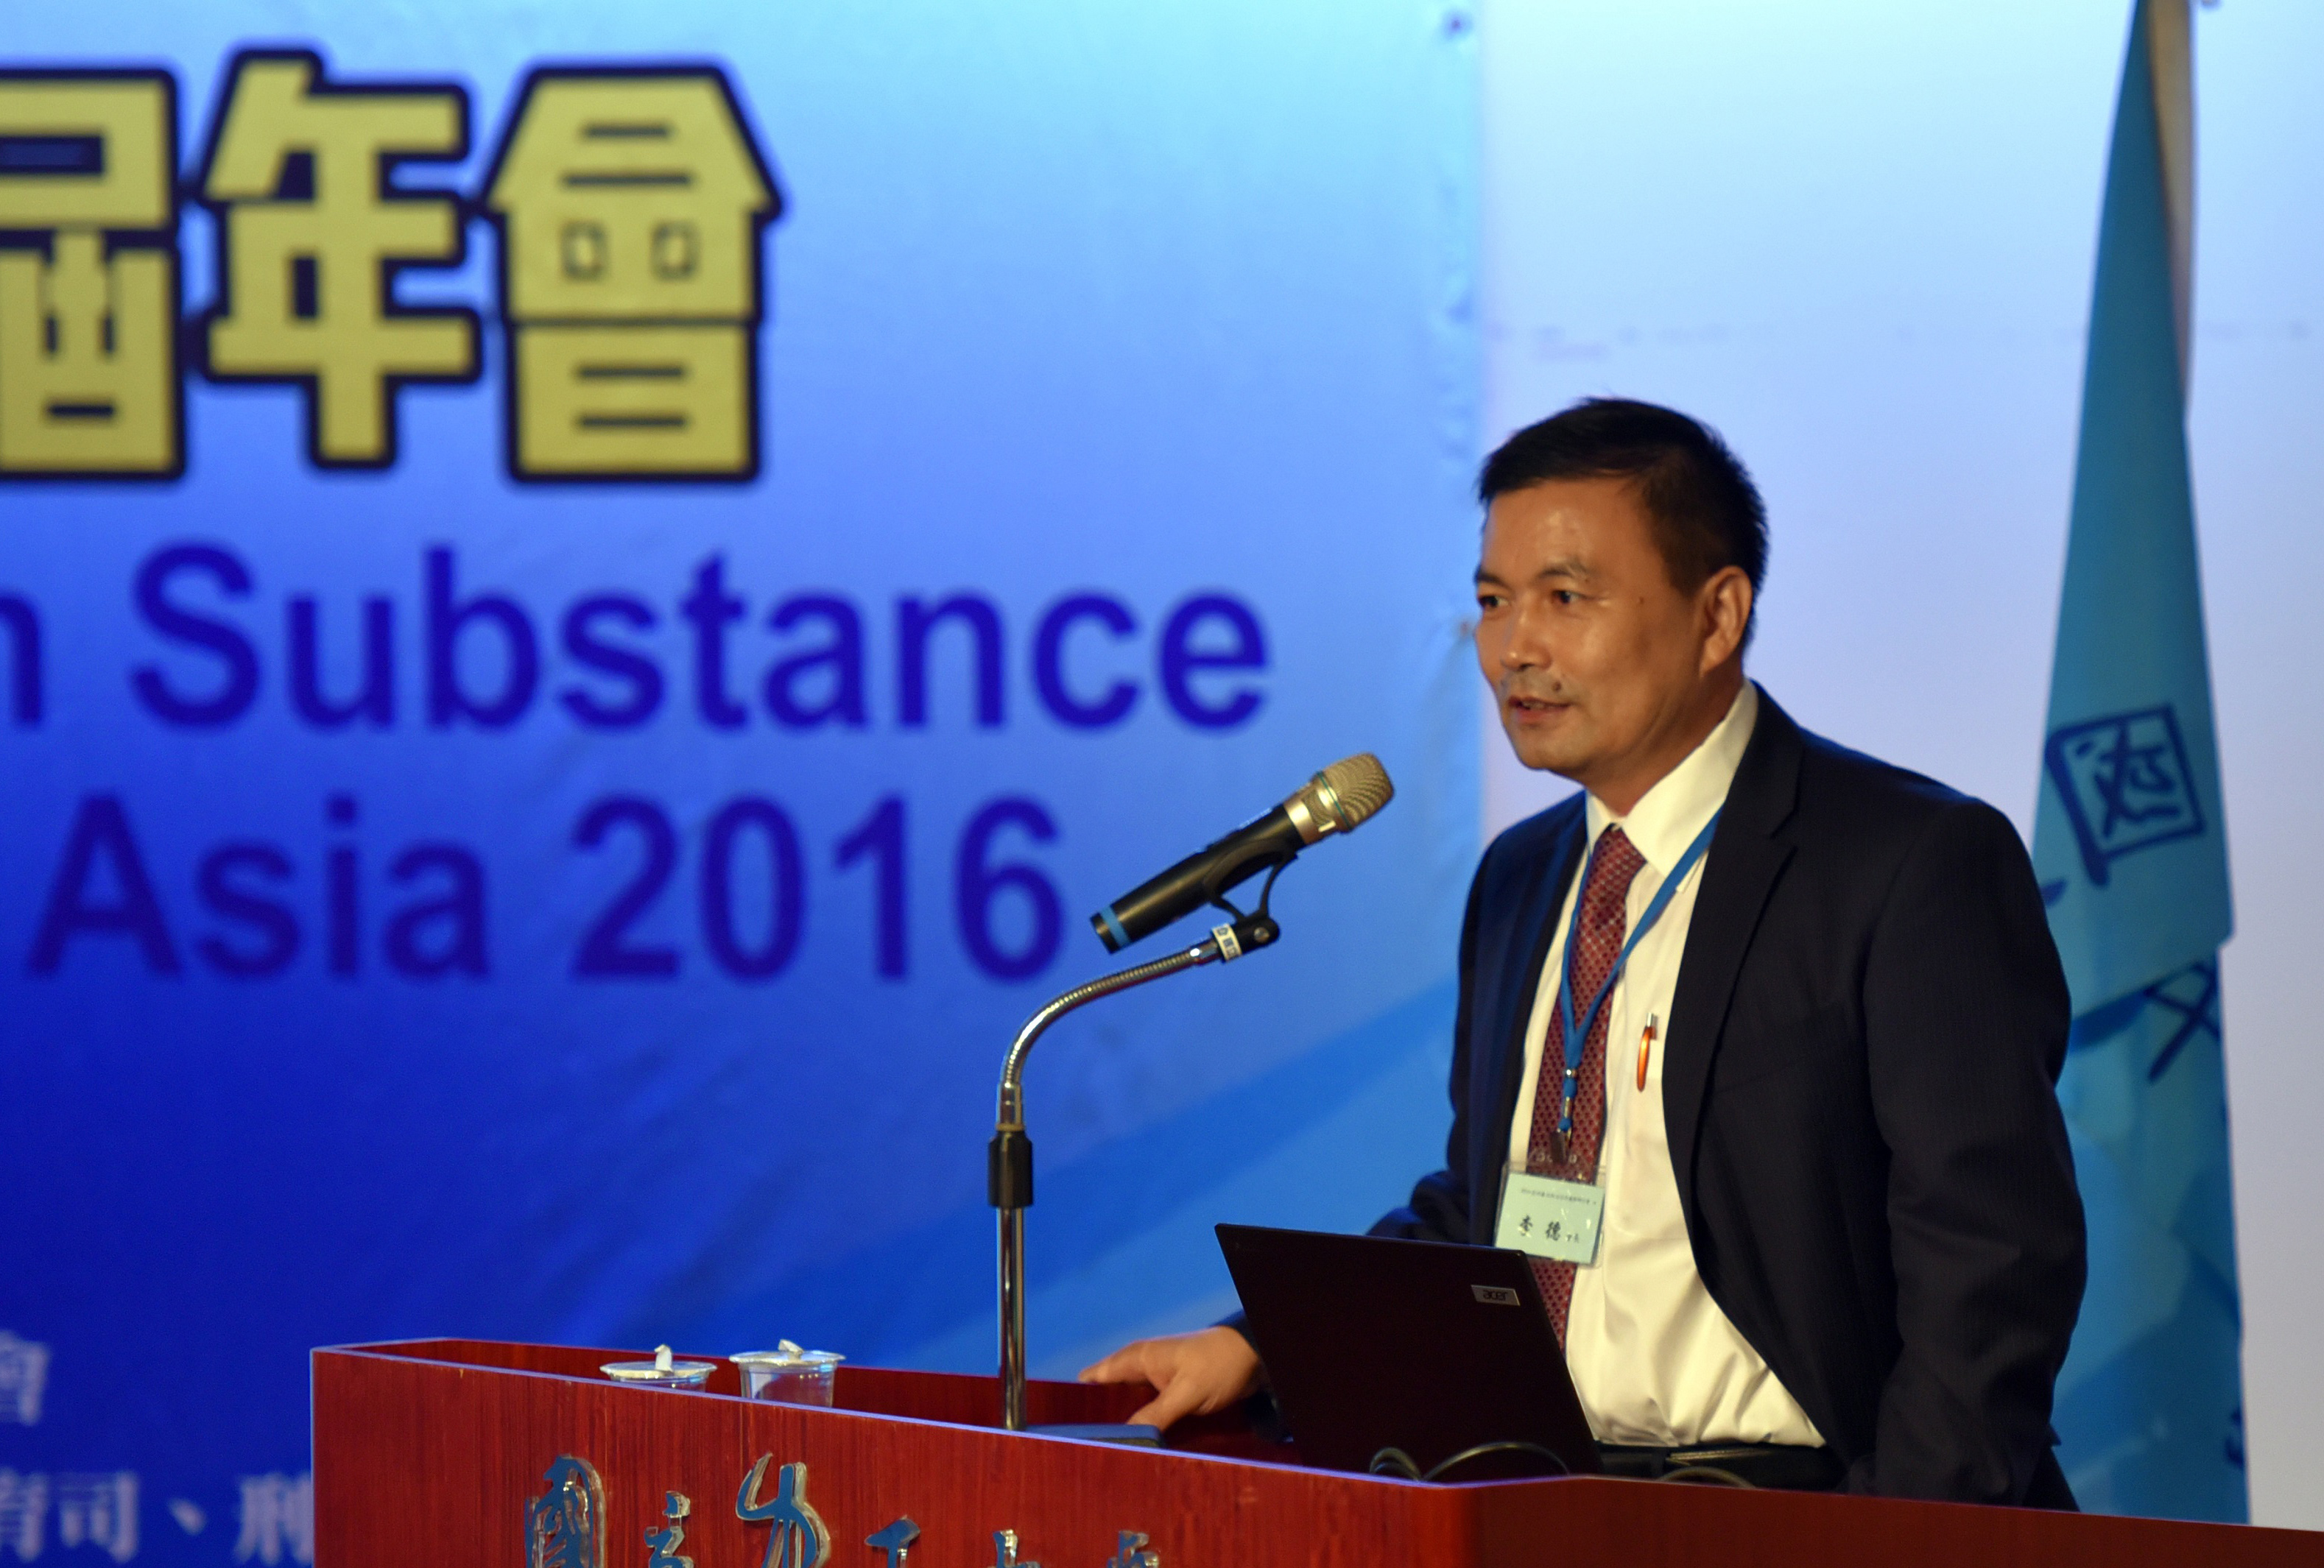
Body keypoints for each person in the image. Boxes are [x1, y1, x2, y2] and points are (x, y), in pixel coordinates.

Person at [1080, 398, 2085, 1505]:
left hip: (1794, 1507)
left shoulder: (1904, 862)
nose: (1515, 648)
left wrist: (1887, 1539)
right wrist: (1258, 1341)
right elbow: (1488, 1210)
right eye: (1492, 601)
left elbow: (1992, 1261)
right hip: (1541, 1499)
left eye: (1566, 597)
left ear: (1718, 615)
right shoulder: (1522, 877)